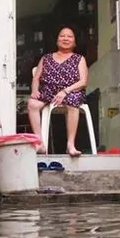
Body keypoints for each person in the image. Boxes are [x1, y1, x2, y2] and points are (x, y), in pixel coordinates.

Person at [27, 26, 89, 157]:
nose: (65, 38)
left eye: (69, 36)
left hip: (71, 91)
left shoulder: (79, 59)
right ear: (57, 40)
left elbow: (83, 82)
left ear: (75, 41)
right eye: (62, 36)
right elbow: (36, 78)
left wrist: (65, 91)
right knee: (32, 104)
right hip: (48, 91)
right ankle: (40, 143)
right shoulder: (46, 58)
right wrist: (34, 90)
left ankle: (70, 144)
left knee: (73, 102)